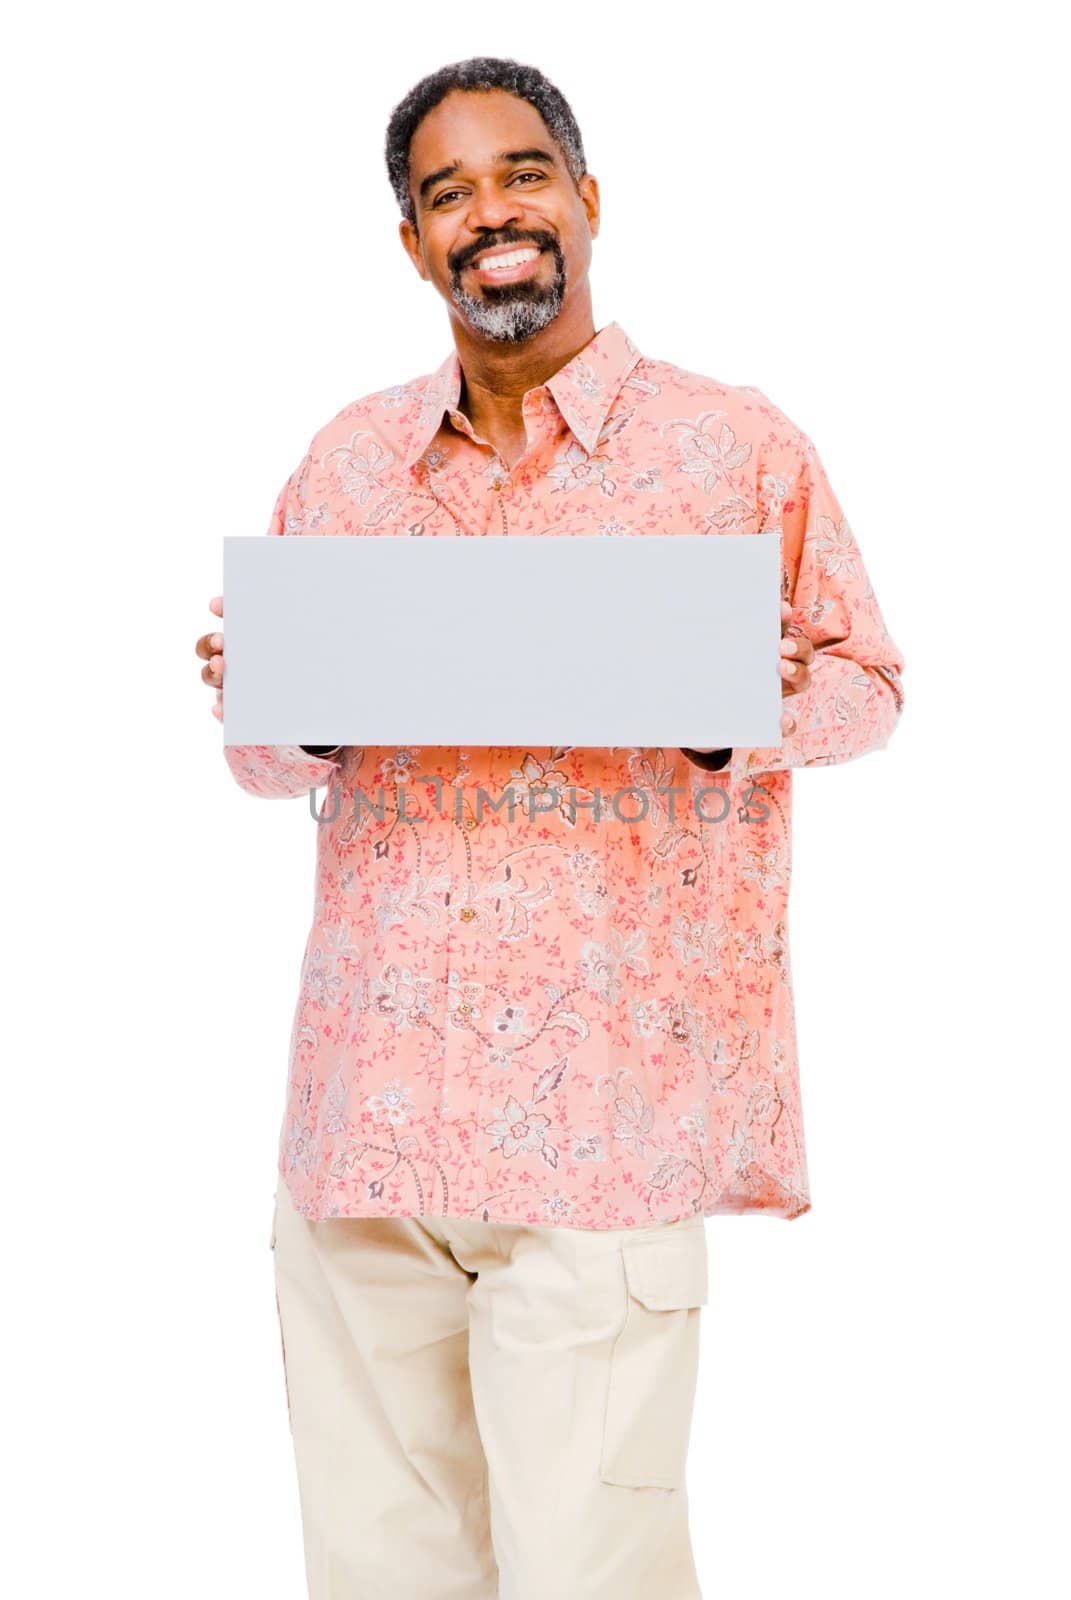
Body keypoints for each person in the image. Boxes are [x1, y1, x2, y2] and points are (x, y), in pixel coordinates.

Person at [195, 55, 905, 1600]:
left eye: (520, 174)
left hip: (603, 1133)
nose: (488, 214)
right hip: (363, 1135)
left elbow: (869, 689)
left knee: (592, 1574)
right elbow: (264, 762)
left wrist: (742, 707)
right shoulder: (347, 466)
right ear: (412, 245)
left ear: (587, 202)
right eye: (445, 193)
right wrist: (276, 697)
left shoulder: (730, 449)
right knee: (378, 1579)